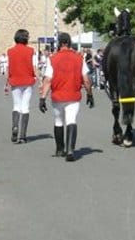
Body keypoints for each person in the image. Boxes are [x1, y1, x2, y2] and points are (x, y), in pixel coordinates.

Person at [38, 32, 94, 161]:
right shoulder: (79, 58)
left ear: (59, 43)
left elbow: (47, 80)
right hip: (73, 95)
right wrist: (90, 95)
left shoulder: (52, 58)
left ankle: (59, 149)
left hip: (57, 95)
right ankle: (70, 149)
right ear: (69, 43)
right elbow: (86, 80)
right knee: (71, 120)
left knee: (58, 121)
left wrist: (42, 98)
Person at [6, 29, 36, 144]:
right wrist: (37, 78)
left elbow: (8, 68)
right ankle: (23, 136)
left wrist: (6, 81)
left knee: (16, 105)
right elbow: (34, 66)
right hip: (28, 80)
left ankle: (15, 126)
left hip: (15, 80)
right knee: (25, 106)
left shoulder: (10, 51)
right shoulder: (30, 51)